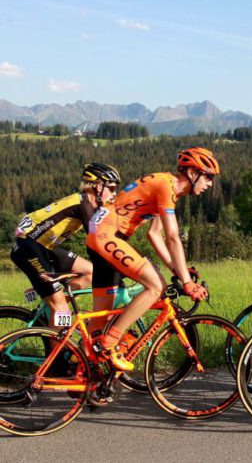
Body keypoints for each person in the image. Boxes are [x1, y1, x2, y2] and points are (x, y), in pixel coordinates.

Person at [86, 147, 217, 371]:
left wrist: (177, 269)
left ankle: (82, 370)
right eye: (208, 177)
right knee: (156, 286)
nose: (210, 183)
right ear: (192, 173)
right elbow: (172, 237)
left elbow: (154, 235)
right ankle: (111, 343)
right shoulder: (166, 186)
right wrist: (187, 282)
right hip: (107, 235)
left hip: (100, 235)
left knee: (99, 321)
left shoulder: (166, 186)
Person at [11, 163, 121, 330]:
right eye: (112, 188)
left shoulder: (85, 202)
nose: (114, 194)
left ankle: (51, 302)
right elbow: (99, 243)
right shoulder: (84, 205)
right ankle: (58, 339)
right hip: (29, 245)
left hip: (42, 245)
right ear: (99, 187)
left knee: (90, 272)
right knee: (62, 309)